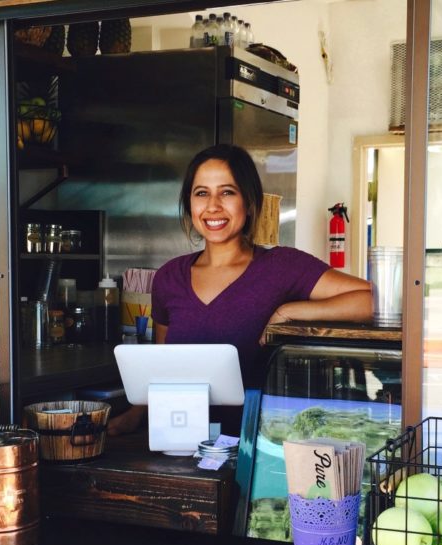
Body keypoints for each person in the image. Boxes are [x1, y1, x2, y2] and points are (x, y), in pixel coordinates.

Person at [108, 144, 373, 435]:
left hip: (261, 445)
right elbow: (163, 368)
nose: (213, 206)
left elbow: (369, 299)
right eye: (201, 193)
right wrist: (135, 415)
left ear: (248, 202)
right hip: (182, 439)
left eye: (227, 192)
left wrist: (290, 311)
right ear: (189, 204)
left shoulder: (282, 266)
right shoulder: (170, 277)